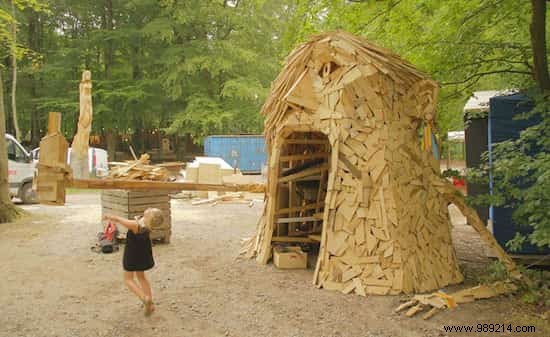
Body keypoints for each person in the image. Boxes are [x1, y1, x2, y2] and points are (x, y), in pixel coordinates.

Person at [103, 208, 164, 316]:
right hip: (143, 254)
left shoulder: (136, 225)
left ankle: (144, 298)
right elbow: (139, 220)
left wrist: (109, 217)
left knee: (128, 279)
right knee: (141, 277)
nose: (148, 208)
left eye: (150, 210)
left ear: (148, 217)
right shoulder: (148, 225)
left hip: (133, 255)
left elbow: (119, 220)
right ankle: (151, 302)